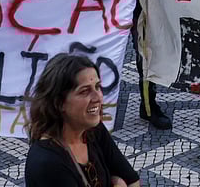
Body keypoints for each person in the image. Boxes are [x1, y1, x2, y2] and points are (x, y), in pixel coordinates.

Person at [24, 52, 141, 187]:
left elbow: (132, 180)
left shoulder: (93, 129)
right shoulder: (48, 163)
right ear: (59, 103)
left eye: (97, 87)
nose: (98, 97)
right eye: (84, 91)